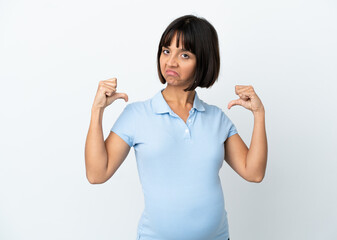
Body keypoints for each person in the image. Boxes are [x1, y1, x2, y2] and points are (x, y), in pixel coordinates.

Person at [85, 14, 268, 240]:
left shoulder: (216, 118)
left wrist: (259, 114)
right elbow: (96, 174)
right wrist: (97, 111)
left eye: (184, 54)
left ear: (203, 61)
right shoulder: (137, 115)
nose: (171, 62)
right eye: (166, 50)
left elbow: (254, 173)